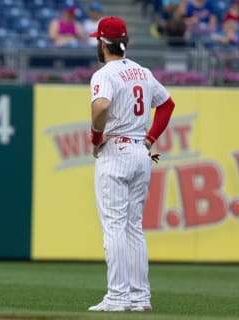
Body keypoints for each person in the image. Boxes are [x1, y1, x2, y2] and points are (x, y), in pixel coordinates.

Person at [87, 16, 175, 312]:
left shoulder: (105, 73)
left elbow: (101, 106)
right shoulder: (142, 71)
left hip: (116, 151)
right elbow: (167, 104)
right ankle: (140, 297)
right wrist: (149, 139)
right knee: (134, 228)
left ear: (102, 43)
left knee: (114, 227)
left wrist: (96, 135)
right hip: (140, 151)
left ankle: (117, 297)